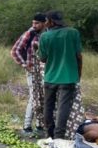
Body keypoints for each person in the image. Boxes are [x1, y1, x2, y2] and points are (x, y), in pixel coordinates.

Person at [38, 10, 83, 140]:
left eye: (46, 21)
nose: (45, 23)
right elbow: (79, 56)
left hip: (50, 77)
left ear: (51, 22)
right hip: (68, 77)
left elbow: (43, 59)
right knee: (63, 107)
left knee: (48, 106)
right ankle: (59, 136)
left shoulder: (45, 37)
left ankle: (49, 134)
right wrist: (78, 75)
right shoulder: (73, 33)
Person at [10, 13, 47, 135]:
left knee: (42, 97)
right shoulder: (29, 33)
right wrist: (24, 65)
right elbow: (15, 50)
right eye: (33, 23)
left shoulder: (47, 34)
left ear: (44, 23)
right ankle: (27, 126)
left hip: (44, 71)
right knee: (34, 96)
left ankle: (39, 126)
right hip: (32, 71)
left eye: (37, 23)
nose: (34, 25)